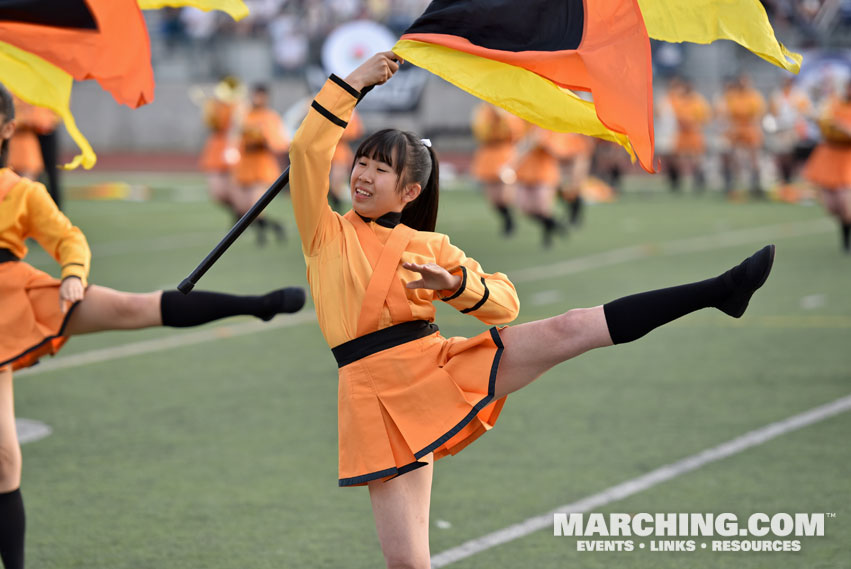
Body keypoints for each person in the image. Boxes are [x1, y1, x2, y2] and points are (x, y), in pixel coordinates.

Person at [288, 52, 775, 568]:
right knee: (409, 564)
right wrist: (354, 83)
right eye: (361, 162)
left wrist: (452, 283)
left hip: (437, 366)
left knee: (570, 327)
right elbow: (307, 150)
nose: (362, 175)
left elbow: (504, 305)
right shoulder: (325, 231)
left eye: (379, 168)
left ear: (409, 191)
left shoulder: (431, 244)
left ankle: (718, 291)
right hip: (373, 394)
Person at [0, 82, 306, 569]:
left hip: (16, 298)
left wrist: (74, 276)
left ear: (7, 128)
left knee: (128, 309)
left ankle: (254, 303)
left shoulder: (21, 191)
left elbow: (69, 239)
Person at [233, 83, 289, 245]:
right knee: (243, 208)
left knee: (254, 206)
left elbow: (279, 143)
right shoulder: (244, 114)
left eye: (261, 95)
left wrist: (264, 138)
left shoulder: (271, 117)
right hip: (245, 164)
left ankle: (261, 237)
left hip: (262, 164)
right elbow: (234, 134)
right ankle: (275, 227)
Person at [802, 80, 851, 253]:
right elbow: (822, 117)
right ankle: (845, 228)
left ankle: (846, 240)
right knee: (831, 206)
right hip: (829, 152)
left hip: (846, 155)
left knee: (845, 204)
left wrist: (844, 128)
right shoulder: (833, 102)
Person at [470, 102, 523, 235]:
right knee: (493, 198)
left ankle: (511, 220)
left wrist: (502, 116)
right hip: (488, 154)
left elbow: (515, 132)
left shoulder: (508, 109)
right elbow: (480, 132)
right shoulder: (483, 110)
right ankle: (506, 218)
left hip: (505, 153)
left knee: (505, 194)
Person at [196, 76, 244, 223]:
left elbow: (237, 125)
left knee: (235, 188)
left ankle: (245, 215)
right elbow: (209, 125)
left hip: (232, 145)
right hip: (216, 146)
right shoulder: (214, 105)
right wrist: (208, 109)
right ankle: (240, 213)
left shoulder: (238, 105)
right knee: (217, 192)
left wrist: (232, 146)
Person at [671, 79, 711, 193]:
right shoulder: (678, 100)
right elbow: (675, 114)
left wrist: (694, 124)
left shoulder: (698, 101)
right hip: (682, 133)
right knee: (680, 158)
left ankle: (697, 179)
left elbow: (705, 117)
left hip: (694, 133)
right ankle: (680, 180)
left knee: (696, 158)